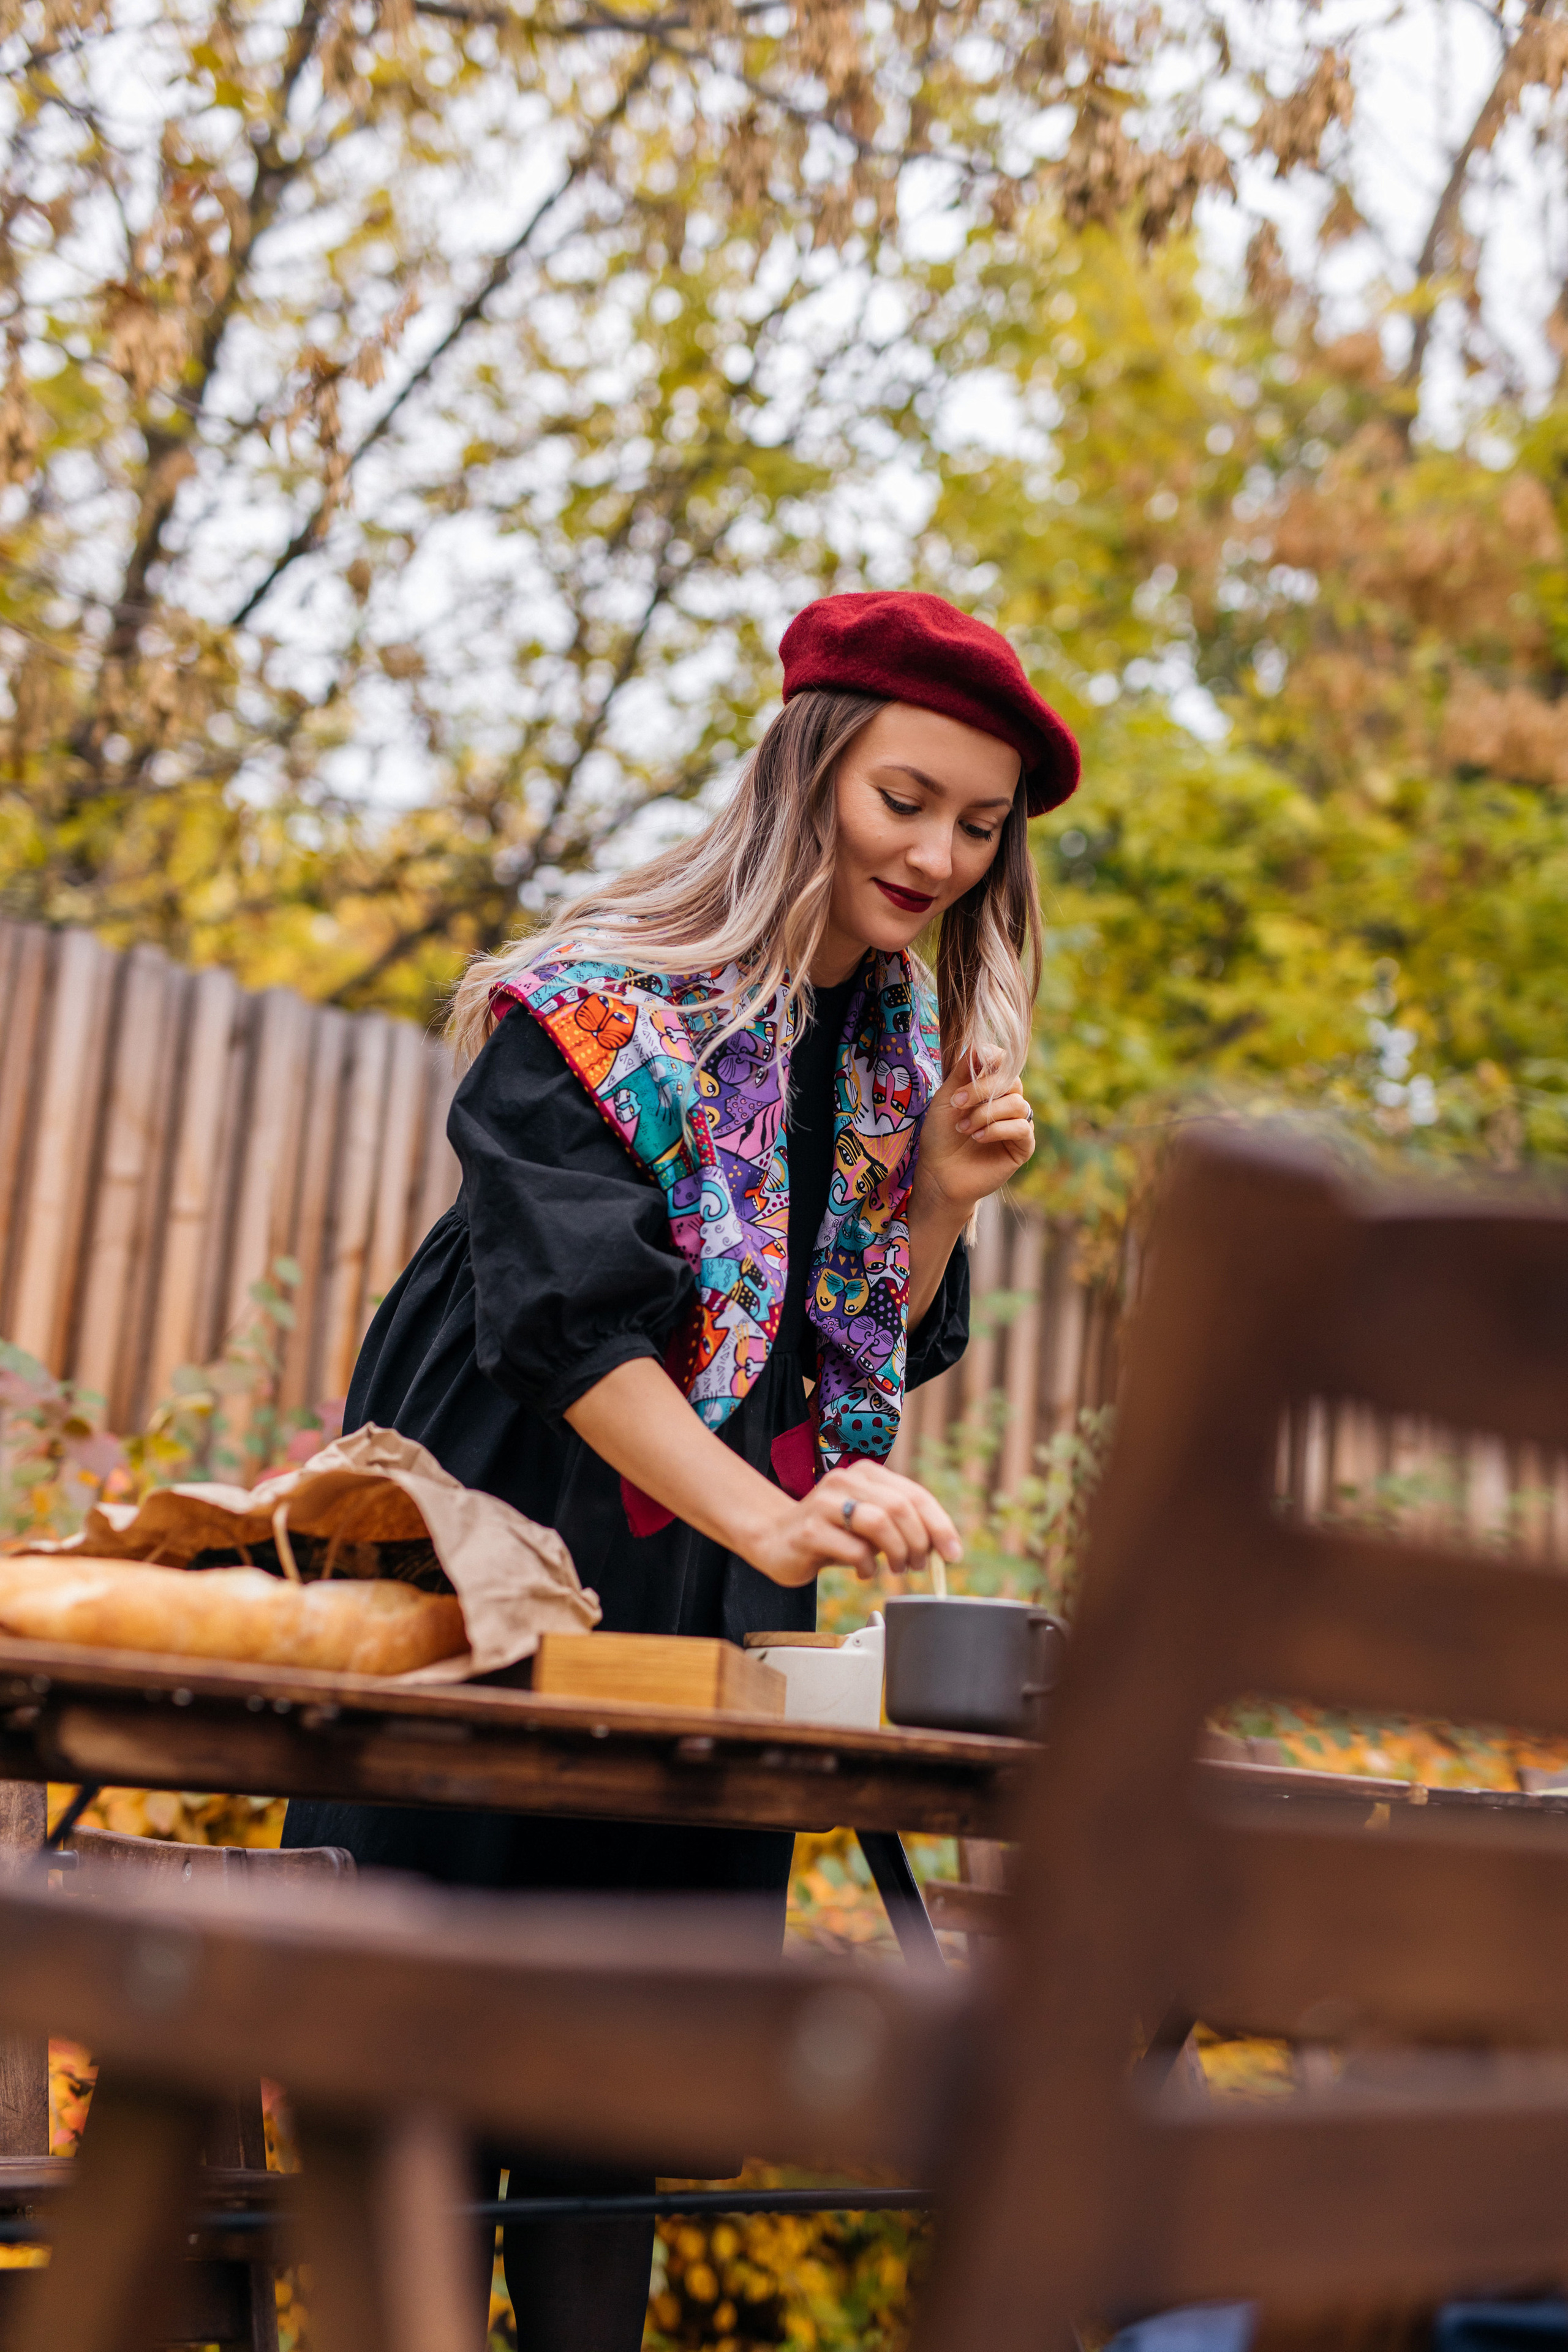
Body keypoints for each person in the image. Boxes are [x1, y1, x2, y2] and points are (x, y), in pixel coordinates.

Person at [283, 587, 1080, 2349]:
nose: (940, 852)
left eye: (976, 824)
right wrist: (778, 1511)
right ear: (809, 773)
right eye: (907, 799)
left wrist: (935, 1197)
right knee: (420, 2044)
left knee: (615, 2092)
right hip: (491, 1565)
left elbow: (845, 1347)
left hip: (709, 1580)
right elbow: (577, 1343)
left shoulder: (880, 1063)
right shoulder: (586, 1013)